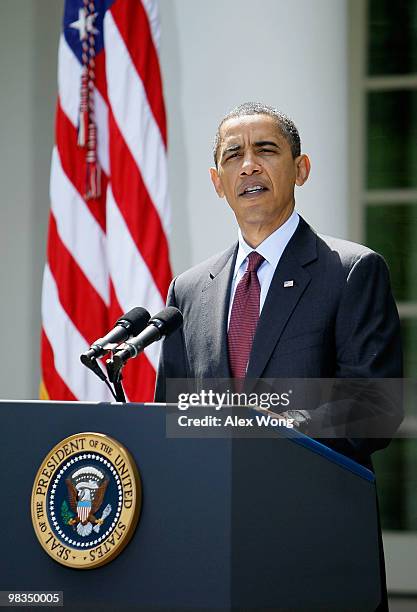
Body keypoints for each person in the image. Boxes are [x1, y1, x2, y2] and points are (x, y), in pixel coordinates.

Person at [155, 102, 402, 611]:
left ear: (300, 168)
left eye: (266, 150)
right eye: (233, 156)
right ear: (217, 182)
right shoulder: (189, 290)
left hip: (317, 552)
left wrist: (260, 424)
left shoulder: (352, 271)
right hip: (211, 552)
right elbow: (171, 417)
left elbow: (371, 409)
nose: (248, 165)